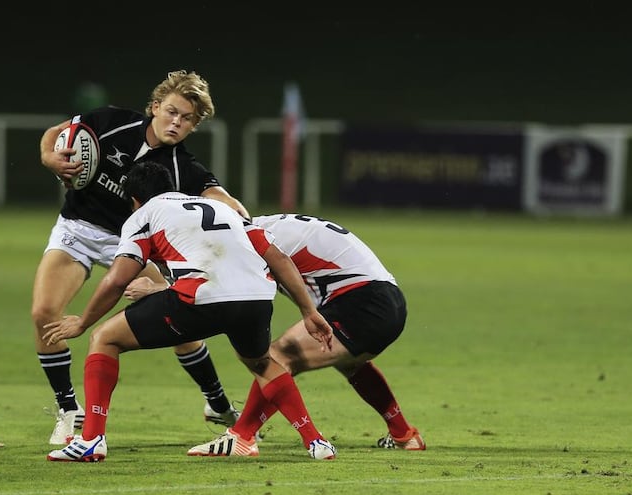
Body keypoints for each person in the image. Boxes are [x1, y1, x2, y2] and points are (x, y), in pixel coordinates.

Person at [42, 161, 337, 462]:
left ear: (133, 199)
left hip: (203, 298)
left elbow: (117, 278)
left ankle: (91, 440)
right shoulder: (220, 208)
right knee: (261, 363)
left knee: (104, 337)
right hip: (257, 297)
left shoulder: (143, 215)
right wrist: (308, 311)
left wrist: (82, 322)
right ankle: (316, 442)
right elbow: (278, 256)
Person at [33, 70, 247, 446]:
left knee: (181, 319)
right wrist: (50, 158)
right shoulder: (112, 122)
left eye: (187, 119)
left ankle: (215, 401)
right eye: (172, 112)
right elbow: (56, 133)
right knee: (43, 314)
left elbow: (218, 195)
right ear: (154, 108)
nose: (177, 122)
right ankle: (69, 409)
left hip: (132, 245)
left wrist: (244, 219)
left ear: (193, 126)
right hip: (77, 230)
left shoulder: (182, 166)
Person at [165, 213, 421, 455]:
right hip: (387, 301)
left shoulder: (246, 239)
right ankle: (404, 434)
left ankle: (242, 436)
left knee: (277, 356)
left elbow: (235, 298)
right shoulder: (268, 227)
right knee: (348, 362)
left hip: (362, 303)